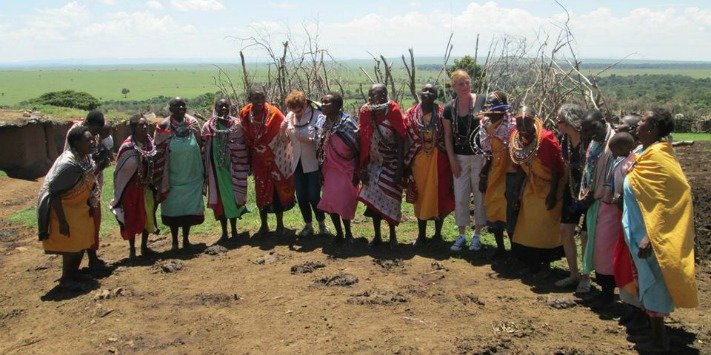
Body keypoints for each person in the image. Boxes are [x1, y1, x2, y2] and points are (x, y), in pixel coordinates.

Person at [622, 108, 698, 351]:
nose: (637, 123)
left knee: (654, 284)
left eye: (643, 120)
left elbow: (676, 196)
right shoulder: (642, 152)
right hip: (635, 227)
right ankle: (651, 332)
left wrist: (650, 236)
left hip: (649, 234)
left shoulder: (660, 157)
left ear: (653, 128)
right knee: (644, 281)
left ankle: (659, 340)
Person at [37, 125, 97, 288]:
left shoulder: (85, 157)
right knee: (71, 245)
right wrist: (62, 221)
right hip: (63, 208)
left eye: (92, 138)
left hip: (79, 207)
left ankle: (74, 273)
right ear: (76, 143)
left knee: (81, 240)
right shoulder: (68, 164)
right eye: (87, 140)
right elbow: (55, 193)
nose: (92, 142)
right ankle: (66, 279)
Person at [509, 107, 565, 273]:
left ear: (534, 121)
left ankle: (545, 263)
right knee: (527, 225)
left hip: (548, 186)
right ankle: (530, 262)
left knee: (544, 223)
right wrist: (516, 191)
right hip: (531, 186)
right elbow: (519, 166)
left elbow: (556, 169)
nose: (523, 126)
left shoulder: (545, 139)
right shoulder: (516, 139)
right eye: (519, 122)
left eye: (526, 122)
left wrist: (553, 194)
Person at [442, 70, 487, 252]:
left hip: (480, 156)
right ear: (453, 86)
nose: (466, 86)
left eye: (467, 82)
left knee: (479, 196)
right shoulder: (448, 109)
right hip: (459, 158)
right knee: (460, 197)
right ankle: (461, 234)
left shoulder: (482, 101)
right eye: (461, 84)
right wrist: (452, 160)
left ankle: (477, 235)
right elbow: (447, 136)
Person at [240, 87, 295, 237]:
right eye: (255, 98)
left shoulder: (274, 113)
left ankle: (280, 226)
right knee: (261, 190)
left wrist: (273, 149)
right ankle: (264, 225)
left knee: (277, 190)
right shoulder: (245, 113)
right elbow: (246, 136)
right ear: (250, 99)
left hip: (275, 157)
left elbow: (284, 132)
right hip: (258, 160)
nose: (259, 101)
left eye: (262, 97)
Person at [404, 84, 454, 247]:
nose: (427, 93)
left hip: (440, 160)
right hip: (419, 162)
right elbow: (405, 137)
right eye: (425, 90)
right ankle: (421, 235)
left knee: (440, 194)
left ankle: (438, 235)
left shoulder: (442, 113)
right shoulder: (411, 113)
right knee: (421, 197)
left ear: (436, 95)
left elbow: (449, 134)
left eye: (431, 91)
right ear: (420, 93)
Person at [358, 83, 406, 248]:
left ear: (385, 95)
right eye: (372, 95)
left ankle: (393, 236)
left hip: (392, 162)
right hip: (373, 163)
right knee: (373, 202)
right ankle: (377, 236)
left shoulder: (393, 111)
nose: (374, 98)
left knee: (391, 198)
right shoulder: (365, 112)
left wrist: (399, 169)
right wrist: (362, 166)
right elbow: (363, 140)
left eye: (379, 94)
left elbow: (401, 140)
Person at [579, 110, 618, 308]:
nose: (590, 133)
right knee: (594, 244)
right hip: (592, 200)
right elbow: (589, 170)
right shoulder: (595, 143)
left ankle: (608, 293)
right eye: (585, 130)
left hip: (607, 203)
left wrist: (594, 195)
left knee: (605, 248)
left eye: (592, 128)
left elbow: (612, 176)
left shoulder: (614, 143)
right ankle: (604, 290)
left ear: (603, 121)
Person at [154, 97, 205, 250]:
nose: (181, 107)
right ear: (171, 109)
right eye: (177, 105)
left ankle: (186, 239)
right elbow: (158, 152)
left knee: (188, 210)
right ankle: (175, 241)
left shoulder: (193, 123)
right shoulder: (163, 126)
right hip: (171, 177)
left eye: (183, 104)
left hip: (191, 175)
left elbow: (200, 144)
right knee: (173, 209)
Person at [64, 110, 111, 269]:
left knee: (93, 222)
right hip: (80, 186)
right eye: (96, 129)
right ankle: (73, 268)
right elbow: (78, 163)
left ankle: (92, 258)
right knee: (82, 223)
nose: (95, 134)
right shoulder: (78, 134)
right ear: (89, 124)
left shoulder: (93, 136)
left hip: (92, 184)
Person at [553, 104, 591, 293]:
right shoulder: (563, 139)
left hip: (590, 194)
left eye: (559, 120)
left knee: (585, 236)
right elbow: (566, 168)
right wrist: (560, 192)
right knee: (565, 230)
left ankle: (586, 276)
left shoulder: (589, 140)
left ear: (568, 122)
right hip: (572, 190)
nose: (557, 123)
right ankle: (573, 274)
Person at [110, 114, 159, 259]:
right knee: (131, 216)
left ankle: (144, 246)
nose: (144, 127)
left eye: (146, 125)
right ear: (133, 128)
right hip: (130, 188)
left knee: (148, 213)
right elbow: (120, 171)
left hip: (146, 187)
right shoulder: (127, 147)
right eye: (140, 125)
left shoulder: (150, 144)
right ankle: (132, 249)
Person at [202, 96, 249, 243]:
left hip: (234, 169)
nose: (223, 109)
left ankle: (234, 230)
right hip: (216, 171)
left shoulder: (237, 125)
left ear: (230, 107)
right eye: (220, 106)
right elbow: (204, 148)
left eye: (225, 106)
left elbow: (243, 146)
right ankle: (224, 232)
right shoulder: (208, 126)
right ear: (215, 108)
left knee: (233, 198)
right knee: (221, 200)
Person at [316, 92, 359, 244]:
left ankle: (348, 233)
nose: (324, 104)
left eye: (328, 102)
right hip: (329, 169)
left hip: (347, 168)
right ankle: (339, 234)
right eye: (323, 102)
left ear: (338, 105)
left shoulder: (347, 122)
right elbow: (319, 146)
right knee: (331, 201)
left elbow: (357, 147)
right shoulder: (322, 122)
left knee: (346, 201)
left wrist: (358, 171)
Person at [478, 91, 516, 257]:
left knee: (511, 211)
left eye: (493, 104)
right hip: (493, 173)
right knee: (493, 207)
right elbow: (485, 152)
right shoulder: (485, 124)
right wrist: (484, 175)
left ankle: (516, 251)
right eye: (488, 103)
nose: (489, 107)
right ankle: (500, 248)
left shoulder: (512, 126)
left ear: (502, 108)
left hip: (510, 174)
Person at [285, 90, 327, 238]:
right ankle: (308, 225)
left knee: (314, 195)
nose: (296, 113)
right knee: (301, 196)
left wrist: (302, 136)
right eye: (293, 110)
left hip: (313, 163)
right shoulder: (290, 117)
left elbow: (320, 139)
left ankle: (322, 224)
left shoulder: (318, 115)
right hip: (296, 162)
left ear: (305, 104)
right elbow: (286, 137)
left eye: (299, 110)